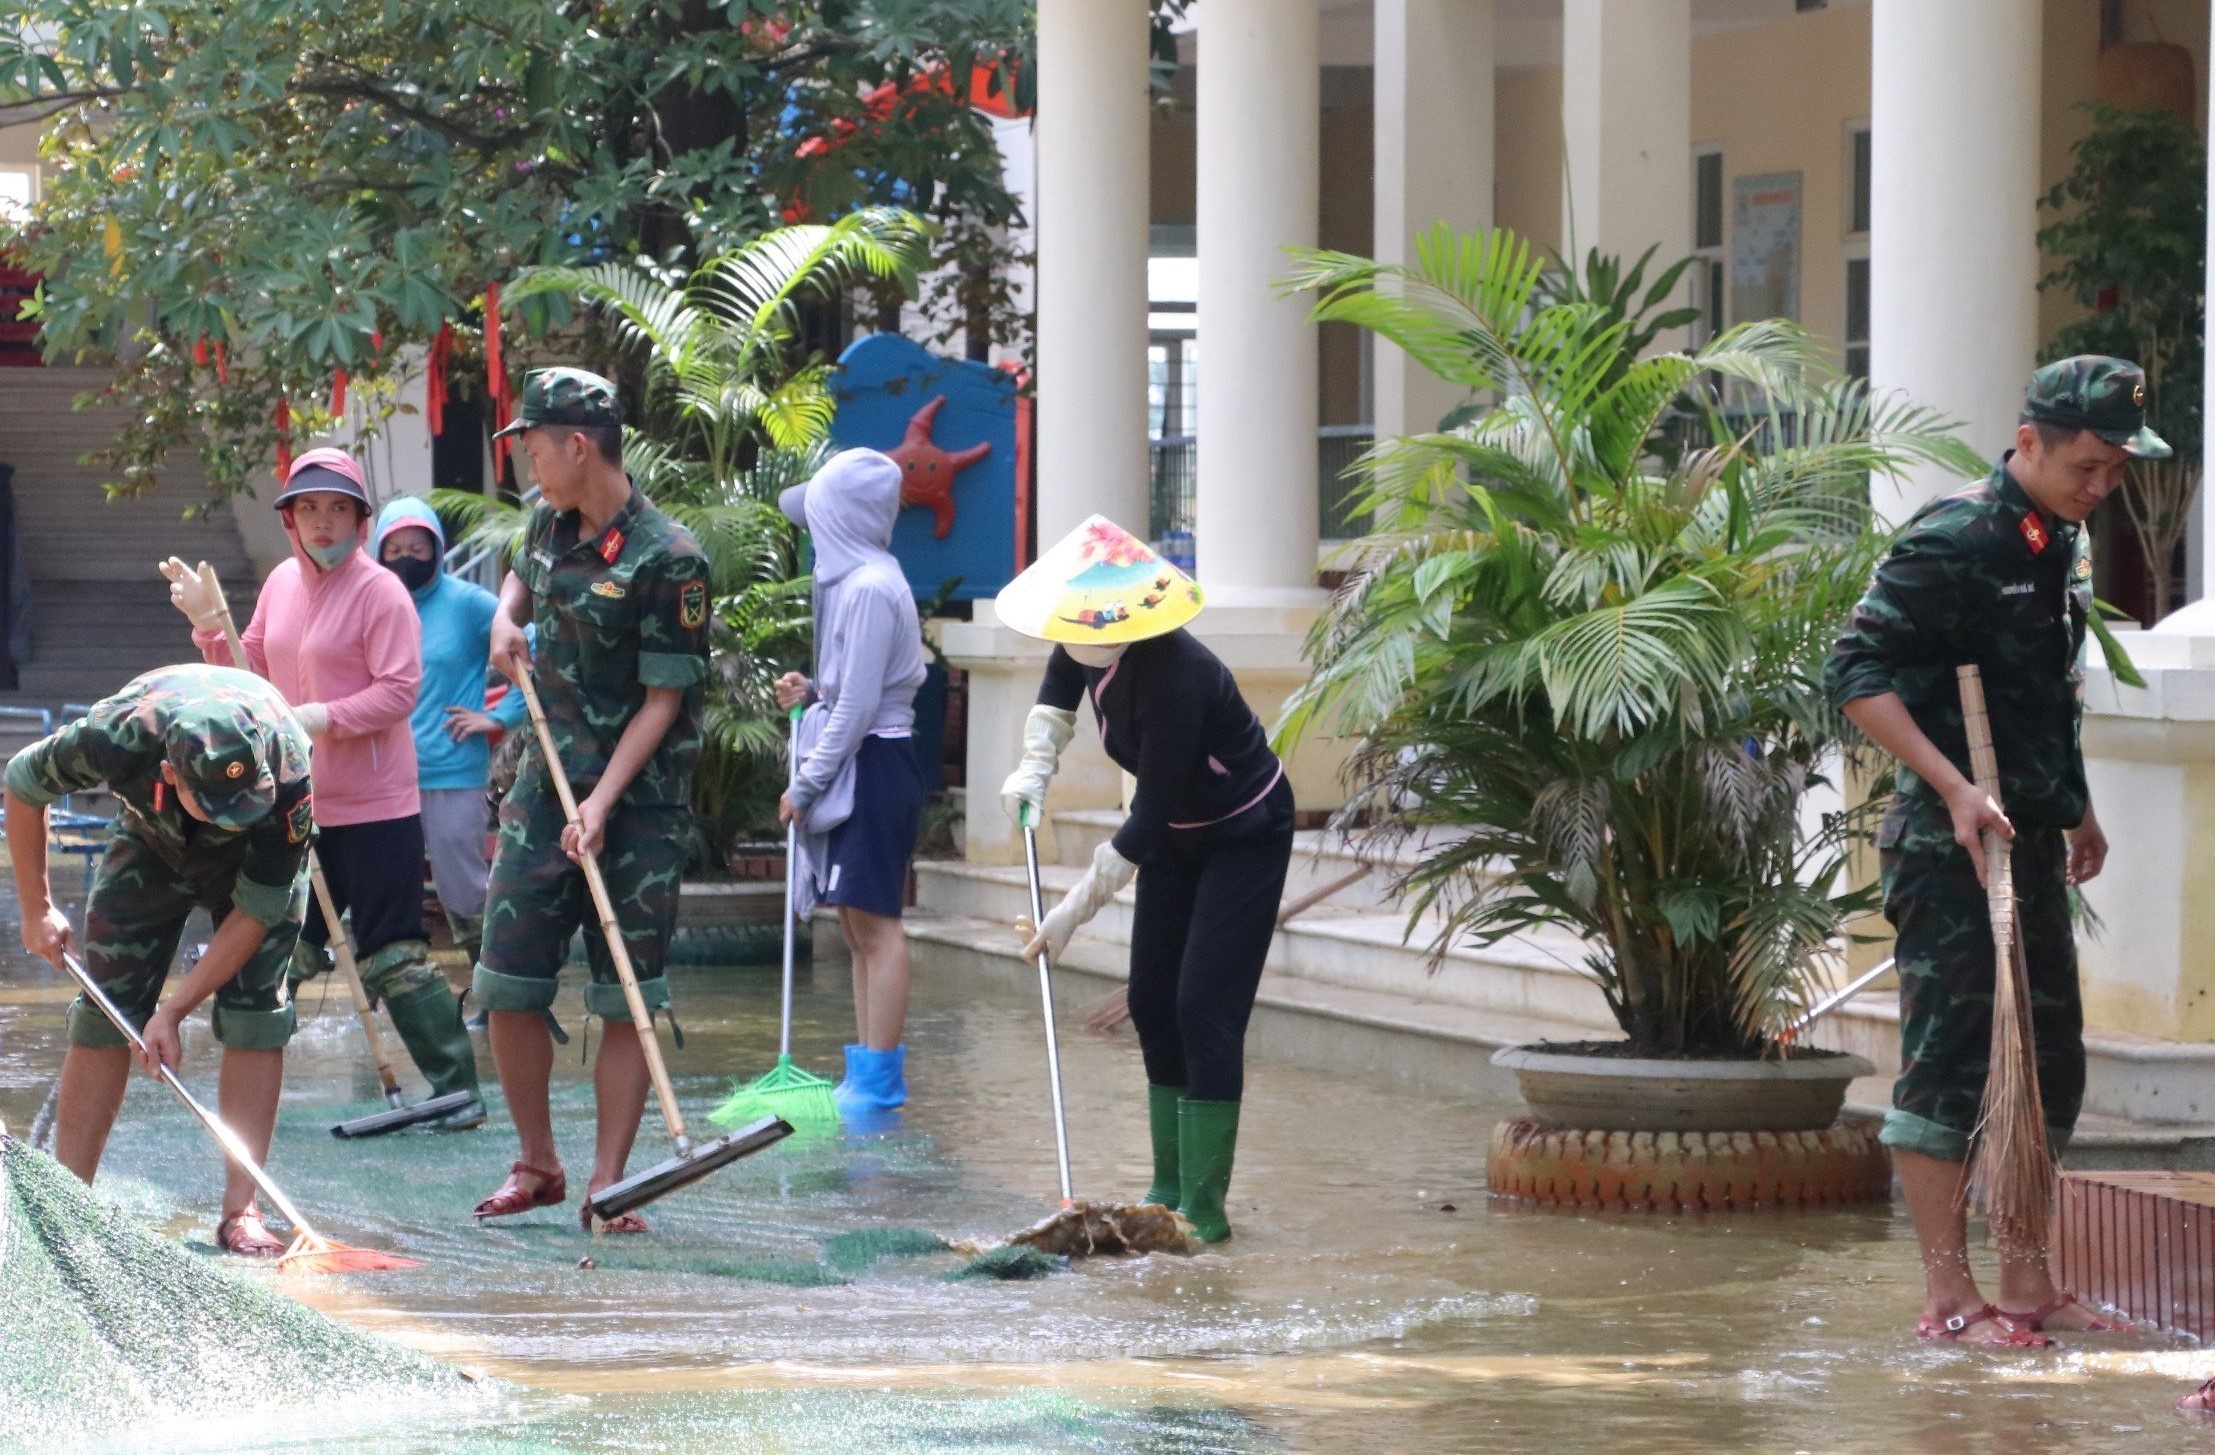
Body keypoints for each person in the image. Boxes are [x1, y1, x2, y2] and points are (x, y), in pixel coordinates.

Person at [1824, 357, 2154, 1348]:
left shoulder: (2058, 538)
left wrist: (2076, 807)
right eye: (2085, 466)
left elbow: (2042, 695)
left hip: (2031, 837)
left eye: (2113, 471)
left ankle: (2026, 1283)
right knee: (1953, 1066)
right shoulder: (1955, 535)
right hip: (1948, 846)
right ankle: (1944, 1295)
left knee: (2047, 1063)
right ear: (2027, 442)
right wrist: (1953, 786)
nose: (2099, 487)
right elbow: (1853, 670)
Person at [996, 516, 1293, 1244]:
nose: (1074, 644)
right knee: (1154, 1002)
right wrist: (1033, 766)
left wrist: (1067, 914)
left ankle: (1204, 1206)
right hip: (1171, 836)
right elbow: (1055, 700)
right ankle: (1165, 1185)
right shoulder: (1083, 640)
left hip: (1241, 835)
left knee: (1203, 1007)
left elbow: (1147, 816)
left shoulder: (1174, 676)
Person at [167, 448, 481, 1128]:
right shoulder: (281, 582)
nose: (322, 522)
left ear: (360, 520)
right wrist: (206, 624)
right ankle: (244, 1096)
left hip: (373, 805)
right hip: (294, 798)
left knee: (392, 953)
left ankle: (460, 1088)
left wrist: (321, 717)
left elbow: (400, 690)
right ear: (288, 518)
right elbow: (249, 666)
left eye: (338, 509)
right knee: (287, 943)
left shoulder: (381, 592)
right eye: (308, 508)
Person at [468, 368, 711, 1234]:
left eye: (533, 439)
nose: (525, 453)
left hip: (636, 803)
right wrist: (505, 617)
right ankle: (536, 1162)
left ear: (578, 444)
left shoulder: (669, 558)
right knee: (505, 978)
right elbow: (519, 575)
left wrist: (603, 801)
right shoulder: (546, 520)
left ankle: (609, 1187)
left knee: (626, 995)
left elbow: (663, 700)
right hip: (544, 783)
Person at [3, 664, 314, 1253]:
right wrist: (36, 908)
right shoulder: (114, 737)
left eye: (244, 800)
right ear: (171, 773)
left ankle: (241, 1212)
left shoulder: (287, 773)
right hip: (152, 838)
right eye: (219, 805)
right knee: (106, 1005)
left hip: (256, 864)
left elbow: (254, 913)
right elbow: (23, 785)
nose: (233, 814)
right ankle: (72, 1199)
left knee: (256, 1010)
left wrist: (173, 1011)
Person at [774, 448, 928, 1115]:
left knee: (876, 921)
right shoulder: (862, 582)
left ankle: (879, 1081)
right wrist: (812, 690)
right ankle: (865, 1067)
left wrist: (805, 784)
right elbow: (850, 688)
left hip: (876, 759)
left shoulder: (868, 587)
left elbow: (862, 706)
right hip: (865, 753)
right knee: (857, 922)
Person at [373, 495, 527, 967]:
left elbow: (531, 648)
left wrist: (501, 717)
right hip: (379, 779)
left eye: (417, 547)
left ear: (438, 549)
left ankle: (496, 987)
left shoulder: (467, 604)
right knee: (382, 893)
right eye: (394, 548)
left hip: (452, 772)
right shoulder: (371, 606)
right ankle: (397, 994)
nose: (406, 558)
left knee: (462, 889)